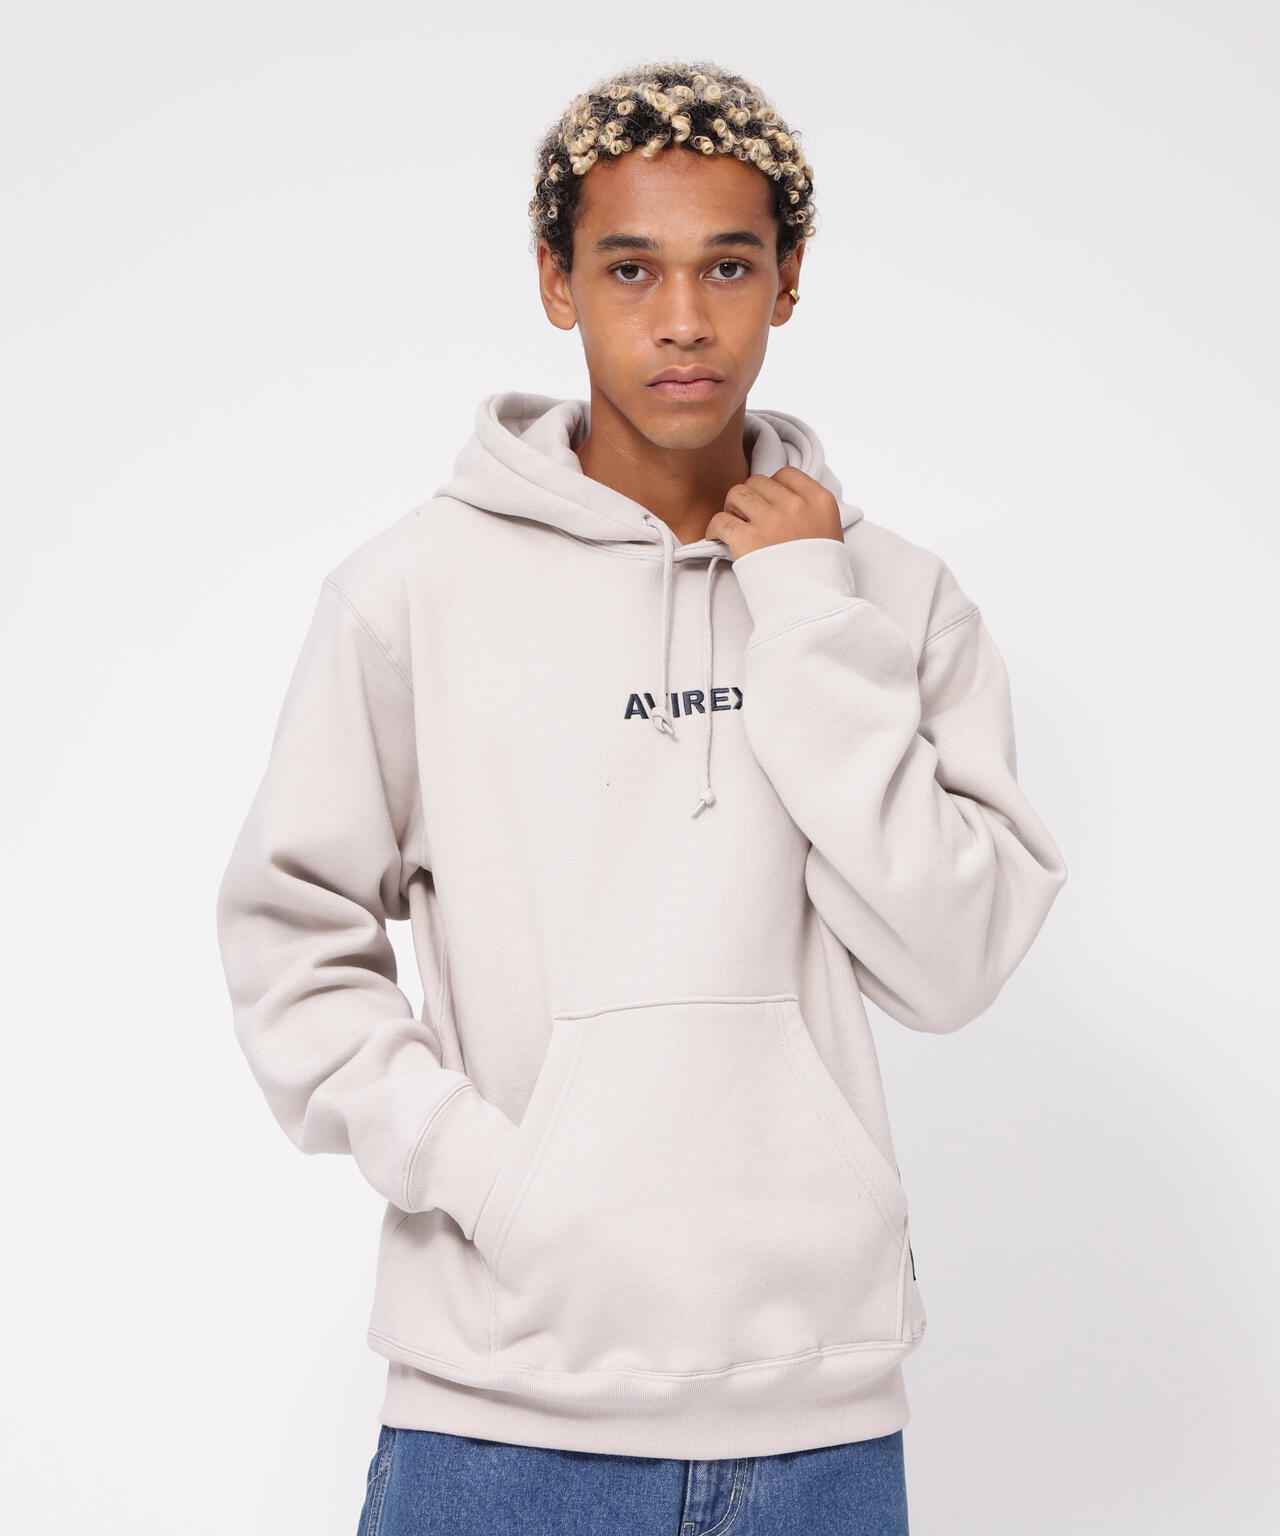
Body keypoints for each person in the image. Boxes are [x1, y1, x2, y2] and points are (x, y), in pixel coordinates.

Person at [216, 57, 1068, 1535]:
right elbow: (290, 941)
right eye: (631, 268)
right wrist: (490, 1177)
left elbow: (952, 961)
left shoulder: (890, 598)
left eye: (728, 265)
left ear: (788, 280)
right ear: (558, 283)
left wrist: (805, 613)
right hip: (498, 1419)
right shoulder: (412, 594)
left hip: (820, 1423)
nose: (683, 320)